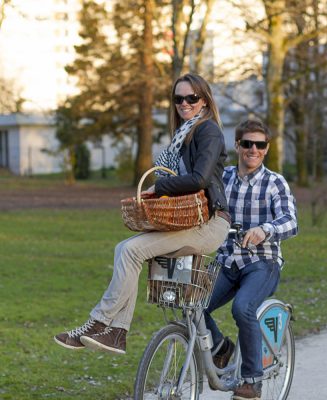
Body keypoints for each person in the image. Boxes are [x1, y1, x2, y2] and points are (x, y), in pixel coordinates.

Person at [54, 73, 231, 355]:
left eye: (191, 98)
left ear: (205, 101)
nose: (184, 103)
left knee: (131, 251)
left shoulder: (207, 131)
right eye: (178, 99)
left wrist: (160, 186)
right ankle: (116, 332)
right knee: (124, 248)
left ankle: (101, 323)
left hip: (209, 223)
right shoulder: (183, 133)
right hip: (187, 219)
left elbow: (199, 179)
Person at [204, 119, 298, 400]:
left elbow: (291, 221)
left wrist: (265, 229)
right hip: (227, 259)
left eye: (259, 144)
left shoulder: (274, 182)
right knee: (194, 304)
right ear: (237, 146)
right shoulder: (224, 177)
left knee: (243, 308)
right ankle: (221, 348)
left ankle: (252, 380)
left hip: (262, 262)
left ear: (266, 148)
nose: (253, 149)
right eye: (247, 143)